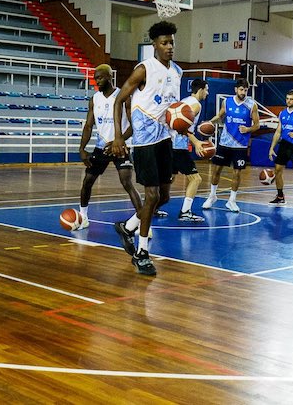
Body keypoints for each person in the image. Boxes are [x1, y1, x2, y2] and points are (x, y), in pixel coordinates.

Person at [111, 21, 182, 276]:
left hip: (165, 139)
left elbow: (174, 110)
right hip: (144, 141)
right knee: (151, 196)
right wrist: (119, 137)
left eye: (172, 42)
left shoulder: (177, 72)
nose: (170, 47)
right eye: (164, 43)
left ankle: (128, 226)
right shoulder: (144, 69)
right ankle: (142, 253)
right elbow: (119, 99)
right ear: (154, 45)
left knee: (164, 197)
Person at [78, 64, 142, 228]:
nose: (97, 81)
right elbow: (88, 126)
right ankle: (83, 217)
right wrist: (82, 148)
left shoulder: (123, 96)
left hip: (121, 147)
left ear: (109, 77)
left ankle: (143, 225)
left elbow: (134, 125)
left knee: (126, 183)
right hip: (102, 147)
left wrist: (118, 140)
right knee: (88, 181)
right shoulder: (94, 99)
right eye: (95, 78)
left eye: (100, 77)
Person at [202, 78, 260, 213]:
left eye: (246, 90)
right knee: (216, 170)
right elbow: (220, 116)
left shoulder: (252, 105)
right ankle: (212, 196)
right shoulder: (227, 102)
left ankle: (232, 200)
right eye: (241, 90)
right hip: (225, 142)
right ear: (236, 89)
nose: (243, 92)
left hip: (240, 144)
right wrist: (208, 123)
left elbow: (257, 125)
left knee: (237, 173)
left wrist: (248, 129)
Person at [168, 79, 210, 222]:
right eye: (207, 90)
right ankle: (185, 211)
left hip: (170, 143)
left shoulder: (185, 100)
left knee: (169, 178)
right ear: (200, 90)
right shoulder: (196, 105)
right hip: (178, 146)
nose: (207, 93)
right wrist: (197, 142)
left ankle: (154, 207)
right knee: (196, 179)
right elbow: (182, 126)